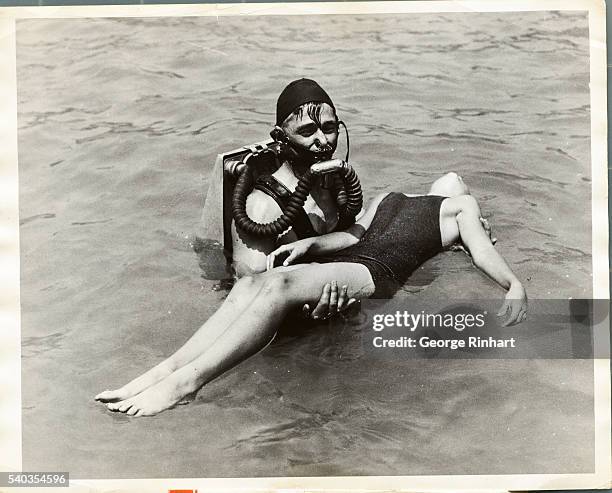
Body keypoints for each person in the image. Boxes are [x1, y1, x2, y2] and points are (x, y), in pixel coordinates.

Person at [95, 181, 527, 417]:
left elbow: (484, 250)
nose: (450, 179)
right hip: (353, 257)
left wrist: (513, 283)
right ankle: (165, 370)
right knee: (253, 284)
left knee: (278, 287)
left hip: (374, 272)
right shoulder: (393, 196)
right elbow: (353, 234)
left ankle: (188, 383)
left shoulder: (460, 205)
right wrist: (311, 246)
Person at [231, 78, 481, 319]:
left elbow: (366, 226)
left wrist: (457, 225)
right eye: (307, 131)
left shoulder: (333, 180)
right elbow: (249, 301)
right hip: (309, 306)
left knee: (452, 184)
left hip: (350, 277)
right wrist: (307, 310)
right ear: (280, 137)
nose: (323, 142)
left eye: (329, 128)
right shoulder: (262, 207)